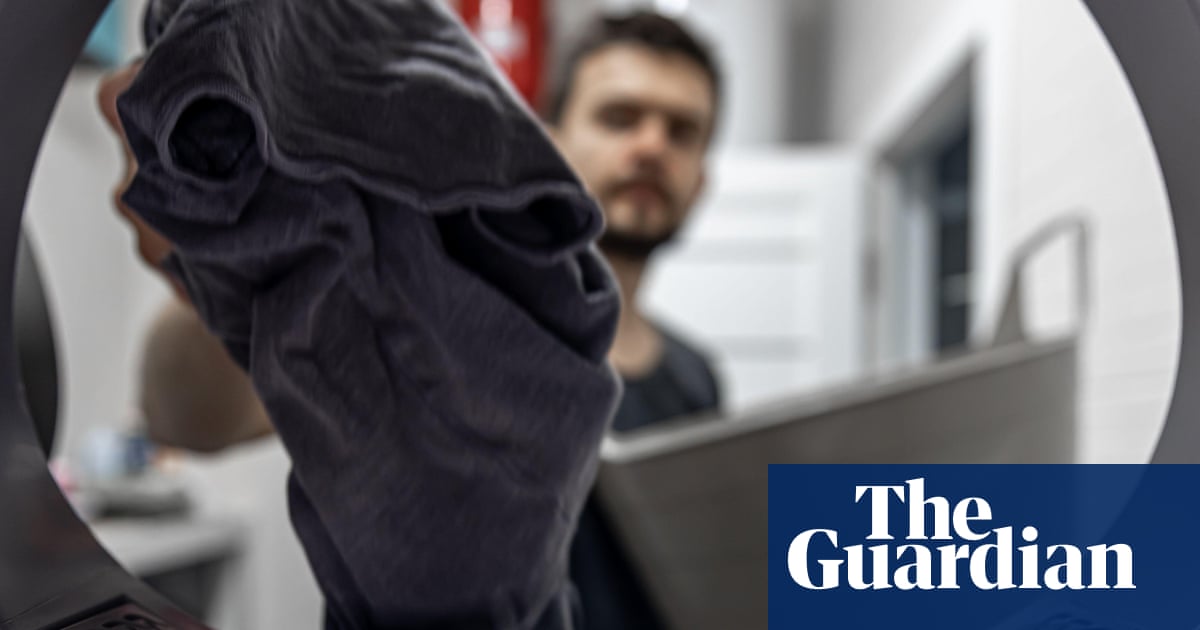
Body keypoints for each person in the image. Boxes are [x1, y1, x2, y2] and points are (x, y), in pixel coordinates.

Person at [542, 11, 724, 630]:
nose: (652, 147)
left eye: (682, 132)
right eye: (619, 118)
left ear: (701, 180)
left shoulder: (697, 378)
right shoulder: (457, 338)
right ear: (551, 147)